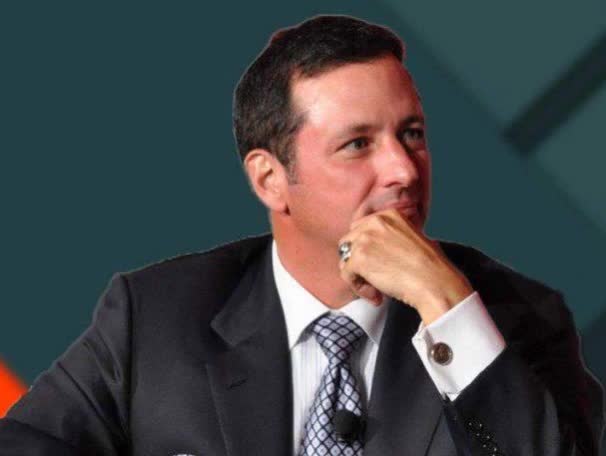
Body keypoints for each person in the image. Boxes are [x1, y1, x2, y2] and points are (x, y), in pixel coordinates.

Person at [0, 14, 603, 456]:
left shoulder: (520, 318)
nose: (403, 169)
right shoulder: (153, 316)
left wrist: (447, 308)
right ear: (270, 180)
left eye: (412, 134)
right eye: (358, 143)